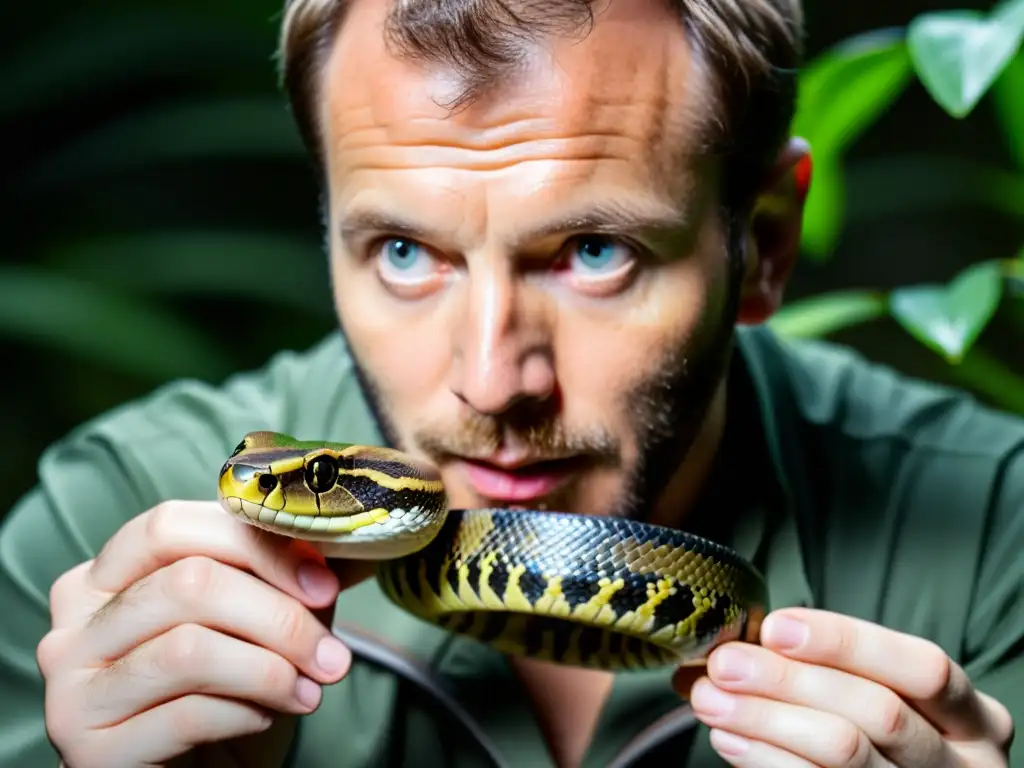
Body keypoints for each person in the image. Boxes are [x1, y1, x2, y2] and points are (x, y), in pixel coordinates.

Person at [1, 0, 1021, 764]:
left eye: (591, 251)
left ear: (761, 245)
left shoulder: (994, 539)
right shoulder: (109, 531)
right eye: (404, 251)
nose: (492, 381)